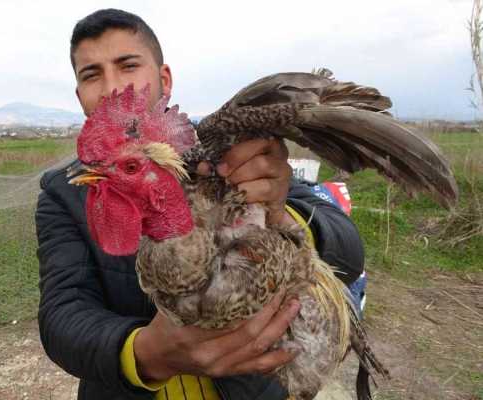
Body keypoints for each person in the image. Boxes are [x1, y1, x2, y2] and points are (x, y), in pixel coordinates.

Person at [36, 9, 365, 400]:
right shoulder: (65, 192)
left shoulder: (231, 155)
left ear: (164, 80)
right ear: (79, 95)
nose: (111, 86)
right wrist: (147, 354)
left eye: (128, 65)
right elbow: (62, 313)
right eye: (92, 74)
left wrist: (276, 211)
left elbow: (349, 254)